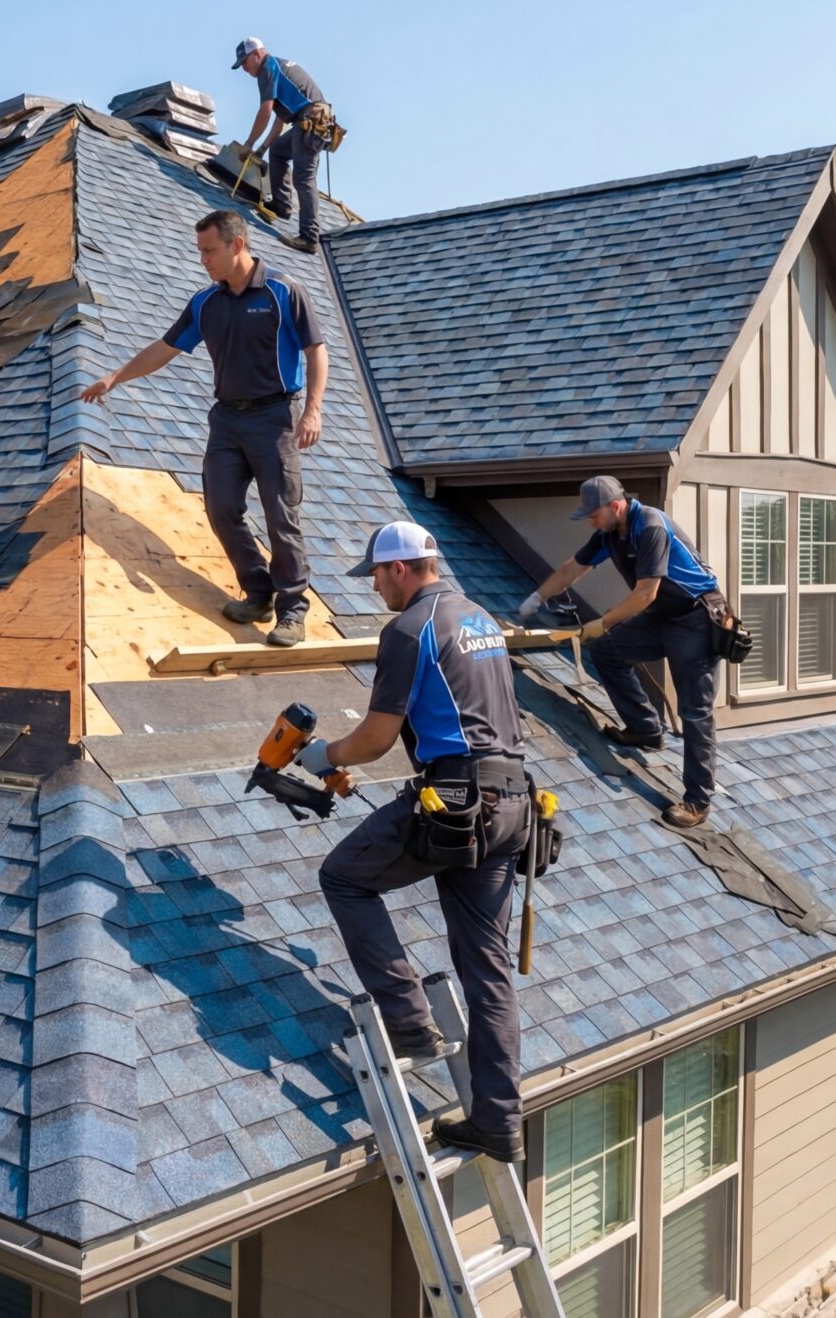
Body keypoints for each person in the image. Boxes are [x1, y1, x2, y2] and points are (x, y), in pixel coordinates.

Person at [303, 521, 533, 1161]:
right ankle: (499, 1123)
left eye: (376, 574)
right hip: (511, 804)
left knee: (344, 876)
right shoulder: (478, 616)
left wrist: (325, 755)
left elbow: (376, 738)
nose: (374, 587)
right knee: (486, 972)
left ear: (401, 568)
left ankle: (408, 1024)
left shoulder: (409, 629)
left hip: (459, 804)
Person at [79, 210, 327, 645]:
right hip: (228, 419)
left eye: (209, 250)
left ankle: (292, 612)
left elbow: (316, 349)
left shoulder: (283, 291)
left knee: (280, 515)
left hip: (275, 418)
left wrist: (313, 410)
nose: (203, 260)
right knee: (220, 506)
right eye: (200, 252)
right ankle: (259, 592)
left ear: (237, 245)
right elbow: (165, 347)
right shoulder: (205, 303)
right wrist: (115, 377)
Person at [519, 476, 726, 829]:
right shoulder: (609, 534)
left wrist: (604, 621)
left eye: (593, 514)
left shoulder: (650, 527)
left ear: (616, 506)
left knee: (694, 711)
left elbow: (646, 593)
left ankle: (697, 800)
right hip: (663, 616)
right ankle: (645, 729)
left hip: (695, 618)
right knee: (608, 650)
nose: (590, 520)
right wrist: (537, 598)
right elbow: (574, 566)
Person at [232, 37, 330, 253]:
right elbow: (281, 117)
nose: (245, 69)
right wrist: (264, 148)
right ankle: (282, 205)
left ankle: (309, 238)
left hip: (310, 121)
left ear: (257, 54)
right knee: (277, 151)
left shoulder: (267, 68)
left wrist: (249, 143)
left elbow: (266, 110)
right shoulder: (276, 67)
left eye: (245, 63)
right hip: (306, 120)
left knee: (304, 179)